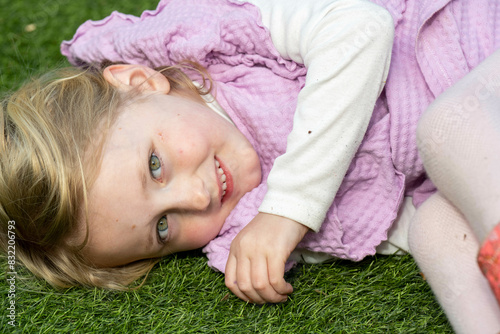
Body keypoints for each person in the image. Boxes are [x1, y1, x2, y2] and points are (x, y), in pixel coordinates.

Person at [1, 0, 499, 332]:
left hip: (474, 40)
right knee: (435, 230)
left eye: (155, 166)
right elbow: (386, 212)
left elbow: (359, 26)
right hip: (468, 158)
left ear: (137, 80)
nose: (196, 199)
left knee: (444, 132)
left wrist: (290, 209)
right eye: (163, 227)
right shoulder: (243, 231)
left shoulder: (217, 41)